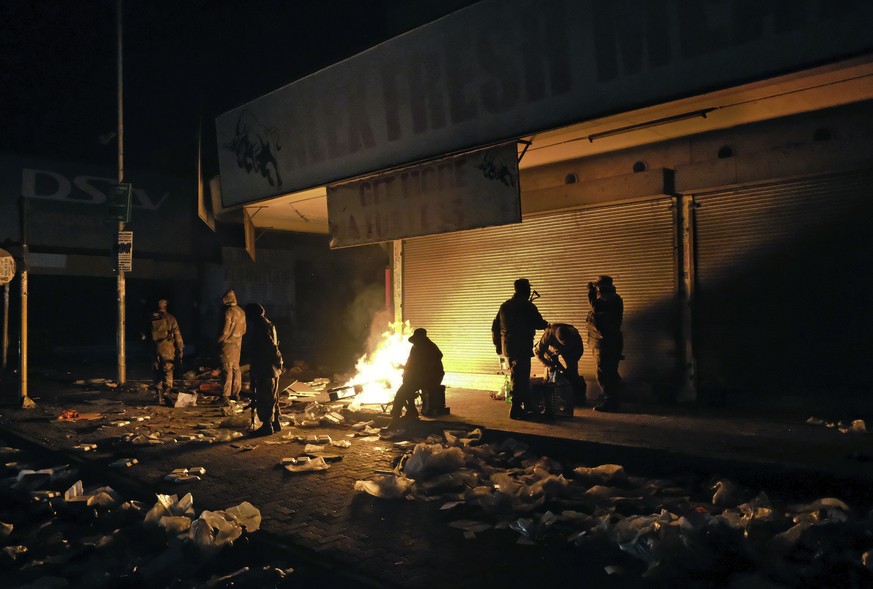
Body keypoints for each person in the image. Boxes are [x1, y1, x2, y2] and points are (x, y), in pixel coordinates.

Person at [491, 278, 549, 420]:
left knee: (517, 377)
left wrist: (499, 346)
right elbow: (538, 323)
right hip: (521, 347)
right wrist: (547, 324)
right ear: (525, 289)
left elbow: (495, 327)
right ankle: (516, 409)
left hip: (508, 348)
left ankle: (527, 405)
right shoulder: (527, 306)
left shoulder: (505, 306)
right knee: (520, 378)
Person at [387, 328, 444, 430]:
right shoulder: (415, 348)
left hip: (432, 377)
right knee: (406, 387)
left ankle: (398, 417)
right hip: (419, 376)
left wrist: (412, 375)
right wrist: (403, 368)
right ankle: (410, 411)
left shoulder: (430, 349)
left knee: (403, 391)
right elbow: (411, 365)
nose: (415, 344)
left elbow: (427, 369)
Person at [586, 275, 624, 412]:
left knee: (604, 371)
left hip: (607, 341)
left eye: (597, 286)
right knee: (609, 371)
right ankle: (611, 398)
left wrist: (591, 294)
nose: (595, 288)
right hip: (603, 340)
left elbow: (596, 308)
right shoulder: (608, 298)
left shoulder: (610, 299)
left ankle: (610, 401)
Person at [245, 304, 284, 437]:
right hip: (272, 366)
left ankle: (267, 426)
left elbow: (269, 347)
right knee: (273, 396)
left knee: (264, 397)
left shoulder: (260, 327)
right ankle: (276, 422)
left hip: (265, 367)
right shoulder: (268, 324)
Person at [534, 322, 586, 406]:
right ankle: (552, 396)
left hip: (570, 350)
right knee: (552, 370)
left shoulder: (575, 336)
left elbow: (578, 352)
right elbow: (538, 352)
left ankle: (577, 396)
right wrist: (548, 364)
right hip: (553, 349)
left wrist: (570, 370)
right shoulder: (549, 334)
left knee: (572, 371)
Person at [144, 299, 184, 404]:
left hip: (154, 347)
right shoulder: (170, 318)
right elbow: (177, 335)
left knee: (157, 370)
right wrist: (180, 349)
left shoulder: (150, 318)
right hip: (167, 348)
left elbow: (144, 336)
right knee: (168, 370)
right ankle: (167, 391)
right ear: (166, 306)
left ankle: (158, 395)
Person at [218, 289, 247, 404]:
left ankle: (225, 396)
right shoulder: (241, 311)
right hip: (237, 344)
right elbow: (244, 330)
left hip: (228, 344)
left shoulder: (229, 311)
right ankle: (236, 394)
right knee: (236, 368)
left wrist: (219, 341)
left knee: (227, 369)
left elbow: (225, 331)